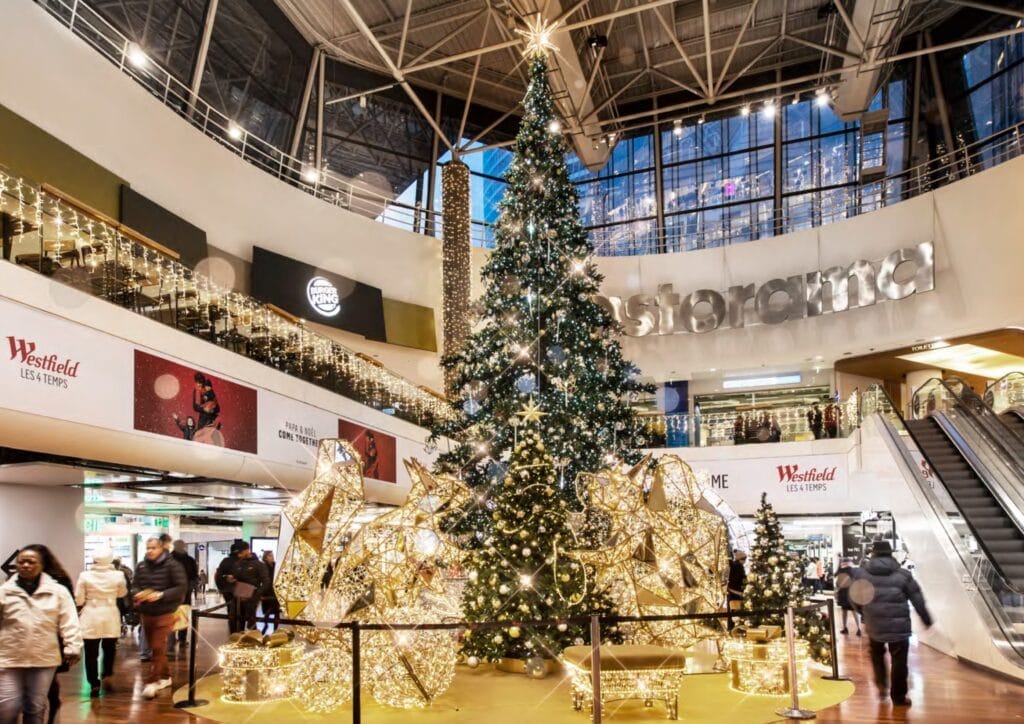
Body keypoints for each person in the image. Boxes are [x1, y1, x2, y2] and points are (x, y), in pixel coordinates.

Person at [0, 545, 82, 724]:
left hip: (43, 658)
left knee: (35, 707)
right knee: (8, 706)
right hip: (10, 657)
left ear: (41, 565)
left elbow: (69, 621)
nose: (26, 565)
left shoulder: (58, 591)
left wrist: (73, 646)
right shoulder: (4, 591)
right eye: (21, 562)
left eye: (31, 562)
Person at [852, 540, 933, 707]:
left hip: (874, 624)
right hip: (899, 626)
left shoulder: (862, 574)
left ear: (872, 554)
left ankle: (881, 686)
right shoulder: (903, 574)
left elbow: (855, 598)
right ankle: (898, 697)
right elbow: (917, 598)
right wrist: (926, 619)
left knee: (877, 656)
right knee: (899, 662)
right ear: (891, 553)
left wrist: (864, 613)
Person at [133, 537, 187, 699]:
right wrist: (138, 593)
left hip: (166, 612)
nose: (150, 551)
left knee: (157, 647)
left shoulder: (173, 565)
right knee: (155, 648)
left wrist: (161, 595)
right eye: (148, 548)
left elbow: (181, 587)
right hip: (147, 612)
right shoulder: (141, 566)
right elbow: (134, 584)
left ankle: (152, 681)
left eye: (153, 548)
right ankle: (165, 676)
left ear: (161, 548)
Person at [75, 549, 127, 697]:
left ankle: (93, 682)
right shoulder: (118, 575)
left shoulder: (84, 576)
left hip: (90, 614)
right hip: (110, 614)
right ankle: (107, 673)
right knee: (109, 648)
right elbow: (122, 593)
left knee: (91, 653)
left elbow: (79, 598)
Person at [32, 546, 74, 724]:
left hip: (50, 634)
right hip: (30, 634)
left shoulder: (59, 582)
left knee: (47, 676)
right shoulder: (18, 580)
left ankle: (52, 705)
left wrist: (69, 641)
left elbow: (67, 612)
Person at [216, 542, 270, 633]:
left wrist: (256, 594)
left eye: (241, 552)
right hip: (237, 598)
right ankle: (235, 638)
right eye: (238, 553)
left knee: (251, 623)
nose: (239, 554)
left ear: (247, 550)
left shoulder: (259, 565)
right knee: (234, 620)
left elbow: (266, 582)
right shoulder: (238, 564)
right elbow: (235, 578)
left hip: (251, 599)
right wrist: (231, 580)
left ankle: (252, 640)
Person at [169, 541, 198, 646]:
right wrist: (189, 588)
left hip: (172, 593)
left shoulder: (169, 559)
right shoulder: (190, 560)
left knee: (172, 615)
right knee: (183, 614)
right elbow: (194, 577)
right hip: (184, 593)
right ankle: (181, 639)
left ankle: (172, 641)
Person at [835, 558, 862, 636]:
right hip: (853, 593)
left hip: (843, 594)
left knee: (844, 611)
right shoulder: (855, 571)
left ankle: (845, 628)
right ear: (850, 563)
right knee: (855, 612)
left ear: (844, 563)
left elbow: (837, 583)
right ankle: (859, 628)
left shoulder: (841, 571)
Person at [726, 550, 747, 631]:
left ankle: (731, 628)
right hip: (737, 592)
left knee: (731, 611)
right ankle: (737, 629)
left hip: (731, 591)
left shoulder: (732, 565)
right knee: (737, 611)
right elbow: (742, 579)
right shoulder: (739, 567)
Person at [260, 551, 279, 634]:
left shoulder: (276, 566)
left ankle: (275, 630)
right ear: (265, 557)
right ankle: (266, 625)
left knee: (276, 612)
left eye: (272, 555)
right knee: (267, 611)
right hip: (266, 592)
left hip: (275, 591)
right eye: (270, 556)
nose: (272, 557)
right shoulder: (263, 566)